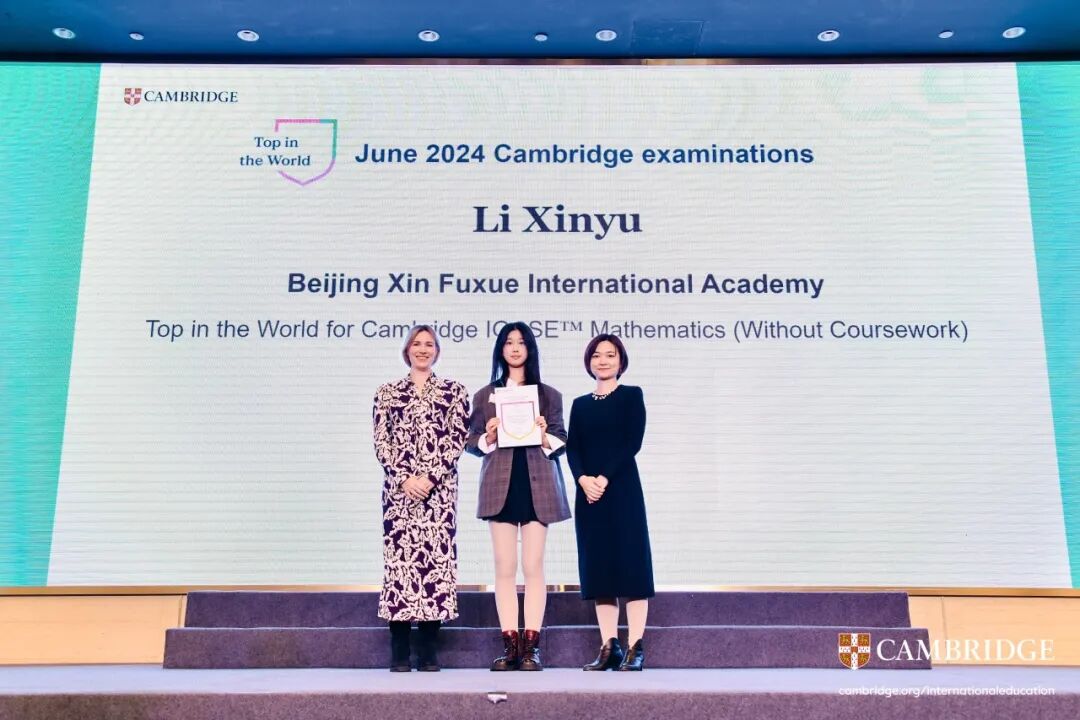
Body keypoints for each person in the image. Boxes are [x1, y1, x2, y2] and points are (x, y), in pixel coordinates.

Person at [466, 322, 571, 671]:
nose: (514, 348)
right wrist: (488, 436)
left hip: (537, 484)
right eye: (508, 342)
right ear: (500, 349)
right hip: (500, 485)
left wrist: (543, 434)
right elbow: (471, 442)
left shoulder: (549, 395)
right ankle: (510, 646)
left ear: (530, 349)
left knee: (534, 566)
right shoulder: (485, 395)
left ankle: (531, 648)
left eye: (521, 342)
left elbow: (561, 440)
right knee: (504, 566)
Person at [372, 324, 469, 672]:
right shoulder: (387, 392)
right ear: (407, 350)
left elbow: (456, 439)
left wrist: (429, 478)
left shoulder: (454, 391)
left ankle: (428, 650)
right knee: (400, 568)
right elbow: (382, 441)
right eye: (417, 343)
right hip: (399, 495)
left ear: (437, 351)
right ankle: (399, 651)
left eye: (429, 344)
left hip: (438, 495)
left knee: (434, 568)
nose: (423, 349)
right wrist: (404, 479)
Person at [566, 334, 654, 671]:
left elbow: (632, 441)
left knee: (632, 567)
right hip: (589, 495)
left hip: (622, 490)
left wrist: (603, 478)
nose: (603, 361)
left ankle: (635, 648)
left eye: (610, 355)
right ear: (589, 362)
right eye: (597, 355)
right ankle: (609, 647)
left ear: (621, 361)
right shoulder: (580, 404)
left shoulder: (632, 395)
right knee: (599, 570)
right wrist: (583, 479)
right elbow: (573, 448)